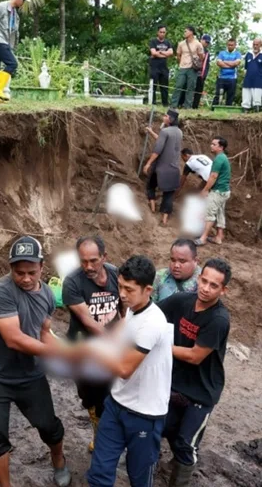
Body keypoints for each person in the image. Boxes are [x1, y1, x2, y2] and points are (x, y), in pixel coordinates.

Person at [0, 235, 71, 487]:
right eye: (19, 272)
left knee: (49, 427)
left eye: (31, 272)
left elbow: (43, 334)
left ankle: (59, 460)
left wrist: (68, 354)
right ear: (10, 268)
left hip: (30, 374)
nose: (26, 278)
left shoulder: (49, 295)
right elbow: (14, 339)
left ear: (42, 267)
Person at [83, 255, 174, 487]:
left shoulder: (153, 323)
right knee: (99, 472)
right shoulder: (133, 308)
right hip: (117, 403)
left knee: (139, 478)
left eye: (129, 289)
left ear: (148, 289)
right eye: (120, 286)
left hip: (145, 414)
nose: (122, 294)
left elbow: (124, 369)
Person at [156, 259, 231, 487]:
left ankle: (180, 477)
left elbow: (195, 356)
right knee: (164, 426)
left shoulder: (218, 319)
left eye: (214, 285)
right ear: (198, 278)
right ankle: (175, 461)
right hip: (176, 382)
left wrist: (159, 347)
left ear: (223, 290)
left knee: (186, 444)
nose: (206, 288)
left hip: (201, 391)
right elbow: (153, 313)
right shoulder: (182, 301)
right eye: (204, 281)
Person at [62, 236, 121, 453]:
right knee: (92, 398)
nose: (88, 266)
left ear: (105, 257)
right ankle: (99, 432)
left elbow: (126, 310)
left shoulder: (117, 274)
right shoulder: (72, 282)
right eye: (83, 261)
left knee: (115, 392)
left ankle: (109, 435)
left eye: (94, 260)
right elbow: (89, 322)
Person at [143, 109, 183, 225]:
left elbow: (158, 149)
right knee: (169, 194)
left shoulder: (165, 131)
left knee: (151, 186)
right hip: (174, 168)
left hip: (160, 168)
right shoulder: (179, 132)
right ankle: (164, 219)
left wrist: (148, 163)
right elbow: (163, 140)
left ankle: (153, 208)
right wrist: (151, 132)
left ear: (170, 119)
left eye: (165, 116)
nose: (163, 117)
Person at [195, 136, 232, 247]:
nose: (211, 145)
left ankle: (203, 238)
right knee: (220, 212)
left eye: (214, 144)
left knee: (209, 213)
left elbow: (213, 176)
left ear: (221, 147)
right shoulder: (223, 158)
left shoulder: (219, 159)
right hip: (224, 191)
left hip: (218, 191)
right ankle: (219, 237)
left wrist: (205, 190)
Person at [171, 26, 205, 109]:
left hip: (192, 69)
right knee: (178, 85)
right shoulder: (181, 43)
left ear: (191, 32)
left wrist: (196, 63)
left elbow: (201, 56)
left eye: (186, 31)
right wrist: (181, 63)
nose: (184, 32)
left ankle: (188, 106)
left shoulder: (198, 44)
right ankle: (173, 104)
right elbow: (178, 55)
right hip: (182, 67)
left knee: (191, 87)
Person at [180, 35, 213, 109]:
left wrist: (204, 75)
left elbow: (207, 65)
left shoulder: (207, 53)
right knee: (186, 88)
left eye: (208, 43)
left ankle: (195, 106)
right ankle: (181, 103)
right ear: (201, 40)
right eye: (205, 42)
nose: (206, 44)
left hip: (200, 74)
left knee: (198, 91)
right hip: (191, 72)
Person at [149, 26, 175, 107]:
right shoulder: (153, 41)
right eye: (161, 32)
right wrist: (165, 54)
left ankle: (165, 104)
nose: (162, 34)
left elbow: (171, 53)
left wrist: (160, 52)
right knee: (153, 86)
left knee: (164, 87)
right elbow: (153, 53)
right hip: (154, 67)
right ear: (157, 32)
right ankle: (153, 103)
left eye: (164, 32)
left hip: (164, 68)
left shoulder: (168, 42)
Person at [212, 38, 241, 107]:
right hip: (221, 78)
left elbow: (236, 63)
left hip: (232, 78)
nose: (230, 46)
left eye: (232, 45)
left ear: (235, 45)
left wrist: (224, 62)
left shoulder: (237, 54)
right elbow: (219, 63)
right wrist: (231, 65)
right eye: (229, 45)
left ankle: (228, 110)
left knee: (230, 96)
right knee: (218, 95)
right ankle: (214, 109)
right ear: (227, 45)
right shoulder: (222, 53)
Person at [242, 38, 262, 113]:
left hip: (259, 80)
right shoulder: (248, 54)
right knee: (246, 97)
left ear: (261, 45)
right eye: (254, 44)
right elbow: (246, 67)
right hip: (248, 79)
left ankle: (256, 113)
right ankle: (245, 111)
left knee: (257, 99)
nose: (255, 46)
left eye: (257, 45)